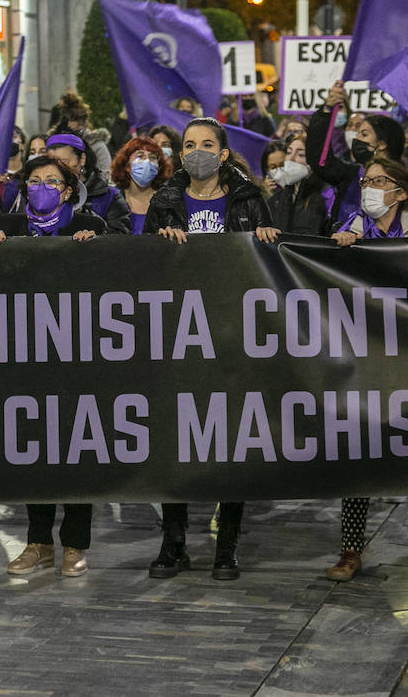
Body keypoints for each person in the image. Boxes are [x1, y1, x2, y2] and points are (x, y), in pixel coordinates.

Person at [143, 118, 279, 580]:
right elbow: (137, 272)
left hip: (233, 334)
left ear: (223, 153)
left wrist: (264, 245)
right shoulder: (164, 203)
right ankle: (174, 542)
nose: (196, 151)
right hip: (178, 335)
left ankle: (227, 545)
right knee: (174, 439)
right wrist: (157, 247)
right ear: (179, 154)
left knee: (231, 441)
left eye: (206, 144)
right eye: (188, 145)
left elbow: (268, 271)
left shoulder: (247, 199)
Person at [323, 159, 408, 584]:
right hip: (364, 358)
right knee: (360, 455)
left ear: (401, 191)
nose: (370, 187)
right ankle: (350, 550)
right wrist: (338, 247)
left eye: (380, 181)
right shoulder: (352, 226)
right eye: (367, 181)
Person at [0, 156, 106, 576]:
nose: (42, 186)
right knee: (35, 449)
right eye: (34, 180)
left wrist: (98, 246)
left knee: (77, 449)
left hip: (78, 356)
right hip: (25, 356)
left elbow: (115, 274)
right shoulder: (9, 226)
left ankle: (74, 545)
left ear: (68, 190)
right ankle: (38, 543)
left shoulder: (88, 225)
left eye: (52, 181)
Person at [308, 81, 406, 226]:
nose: (356, 138)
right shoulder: (349, 174)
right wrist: (327, 111)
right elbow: (319, 157)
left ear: (382, 144)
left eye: (364, 134)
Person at [44, 132, 131, 234]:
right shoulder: (38, 193)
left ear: (82, 159)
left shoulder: (109, 196)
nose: (58, 168)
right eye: (52, 162)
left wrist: (96, 232)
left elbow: (122, 238)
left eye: (64, 162)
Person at [262, 135, 329, 235]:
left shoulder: (327, 195)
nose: (291, 158)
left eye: (301, 154)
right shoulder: (277, 199)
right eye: (288, 152)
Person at [109, 137, 172, 235]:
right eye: (140, 156)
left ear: (158, 167)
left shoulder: (168, 201)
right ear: (126, 165)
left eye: (152, 157)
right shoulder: (111, 199)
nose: (147, 162)